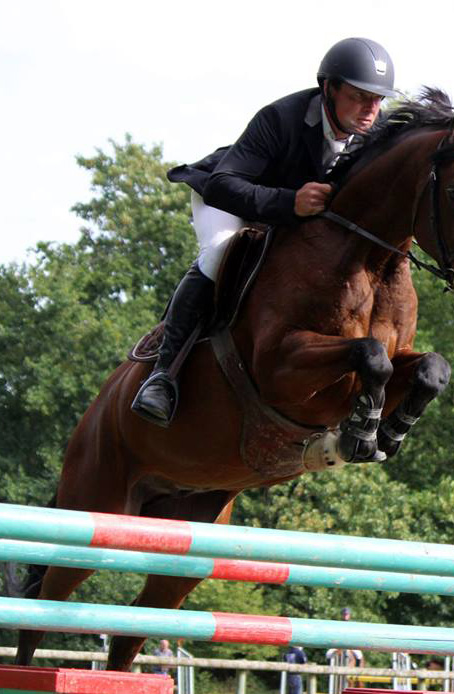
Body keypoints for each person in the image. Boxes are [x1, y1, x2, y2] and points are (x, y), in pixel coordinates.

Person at [131, 37, 398, 427]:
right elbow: (224, 184)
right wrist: (289, 202)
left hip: (291, 217)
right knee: (221, 253)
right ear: (329, 88)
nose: (370, 110)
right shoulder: (280, 118)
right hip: (229, 199)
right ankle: (163, 375)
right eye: (359, 97)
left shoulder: (373, 136)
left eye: (377, 100)